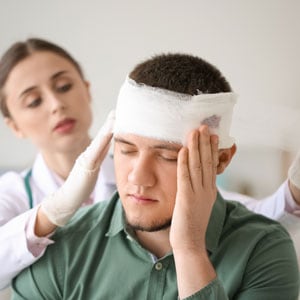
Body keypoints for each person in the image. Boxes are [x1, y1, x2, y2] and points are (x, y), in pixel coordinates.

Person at [12, 53, 299, 299]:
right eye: (126, 150)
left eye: (167, 157)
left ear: (221, 159)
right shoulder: (59, 251)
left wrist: (190, 250)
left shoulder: (263, 250)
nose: (139, 177)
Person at [0, 38, 116, 290]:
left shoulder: (140, 174)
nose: (56, 105)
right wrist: (50, 214)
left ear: (86, 90)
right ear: (15, 126)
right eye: (33, 101)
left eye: (64, 86)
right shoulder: (12, 193)